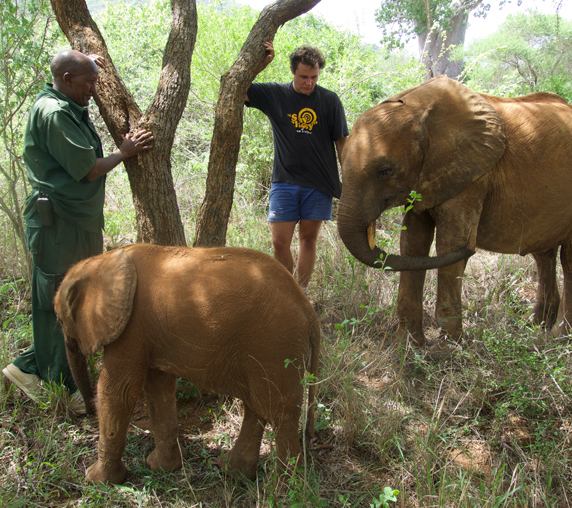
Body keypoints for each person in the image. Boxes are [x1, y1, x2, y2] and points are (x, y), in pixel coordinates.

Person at [2, 50, 153, 413]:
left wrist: (88, 62)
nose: (93, 90)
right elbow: (88, 170)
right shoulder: (54, 113)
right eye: (88, 83)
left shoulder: (64, 100)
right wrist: (124, 151)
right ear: (67, 79)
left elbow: (74, 75)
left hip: (75, 219)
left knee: (77, 296)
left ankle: (26, 368)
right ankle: (60, 384)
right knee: (60, 300)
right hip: (58, 224)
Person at [245, 42, 348, 292]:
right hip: (284, 182)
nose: (309, 83)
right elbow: (239, 88)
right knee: (279, 242)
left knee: (308, 239)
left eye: (314, 77)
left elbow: (342, 143)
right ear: (293, 71)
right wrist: (260, 64)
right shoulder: (275, 94)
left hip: (320, 184)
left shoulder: (330, 100)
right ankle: (286, 294)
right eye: (303, 77)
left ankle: (300, 295)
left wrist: (349, 181)